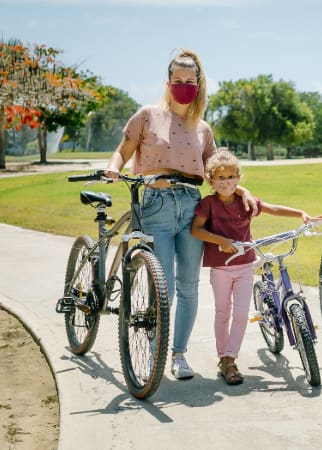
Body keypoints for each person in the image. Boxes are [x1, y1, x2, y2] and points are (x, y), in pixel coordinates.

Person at [104, 49, 257, 380]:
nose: (183, 86)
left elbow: (220, 170)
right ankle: (156, 349)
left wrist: (242, 190)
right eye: (177, 80)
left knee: (188, 286)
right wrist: (113, 168)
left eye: (190, 81)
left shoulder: (202, 128)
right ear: (168, 81)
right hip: (157, 203)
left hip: (191, 206)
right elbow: (123, 150)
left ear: (198, 83)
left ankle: (179, 355)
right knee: (165, 286)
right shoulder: (147, 115)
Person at [190, 149, 322, 385]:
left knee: (241, 314)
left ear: (238, 177)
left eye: (230, 177)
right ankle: (224, 356)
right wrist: (220, 240)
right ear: (211, 180)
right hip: (220, 268)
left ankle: (230, 359)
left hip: (244, 267)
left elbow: (273, 208)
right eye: (220, 178)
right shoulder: (208, 204)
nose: (226, 182)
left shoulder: (245, 202)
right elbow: (196, 230)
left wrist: (300, 213)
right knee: (223, 312)